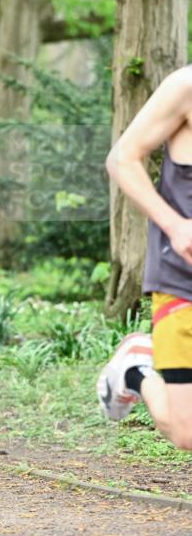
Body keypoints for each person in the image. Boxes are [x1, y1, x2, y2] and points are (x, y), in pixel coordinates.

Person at [96, 64, 192, 450]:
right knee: (187, 433)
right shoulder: (185, 86)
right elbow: (122, 159)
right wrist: (176, 226)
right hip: (182, 277)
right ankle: (137, 368)